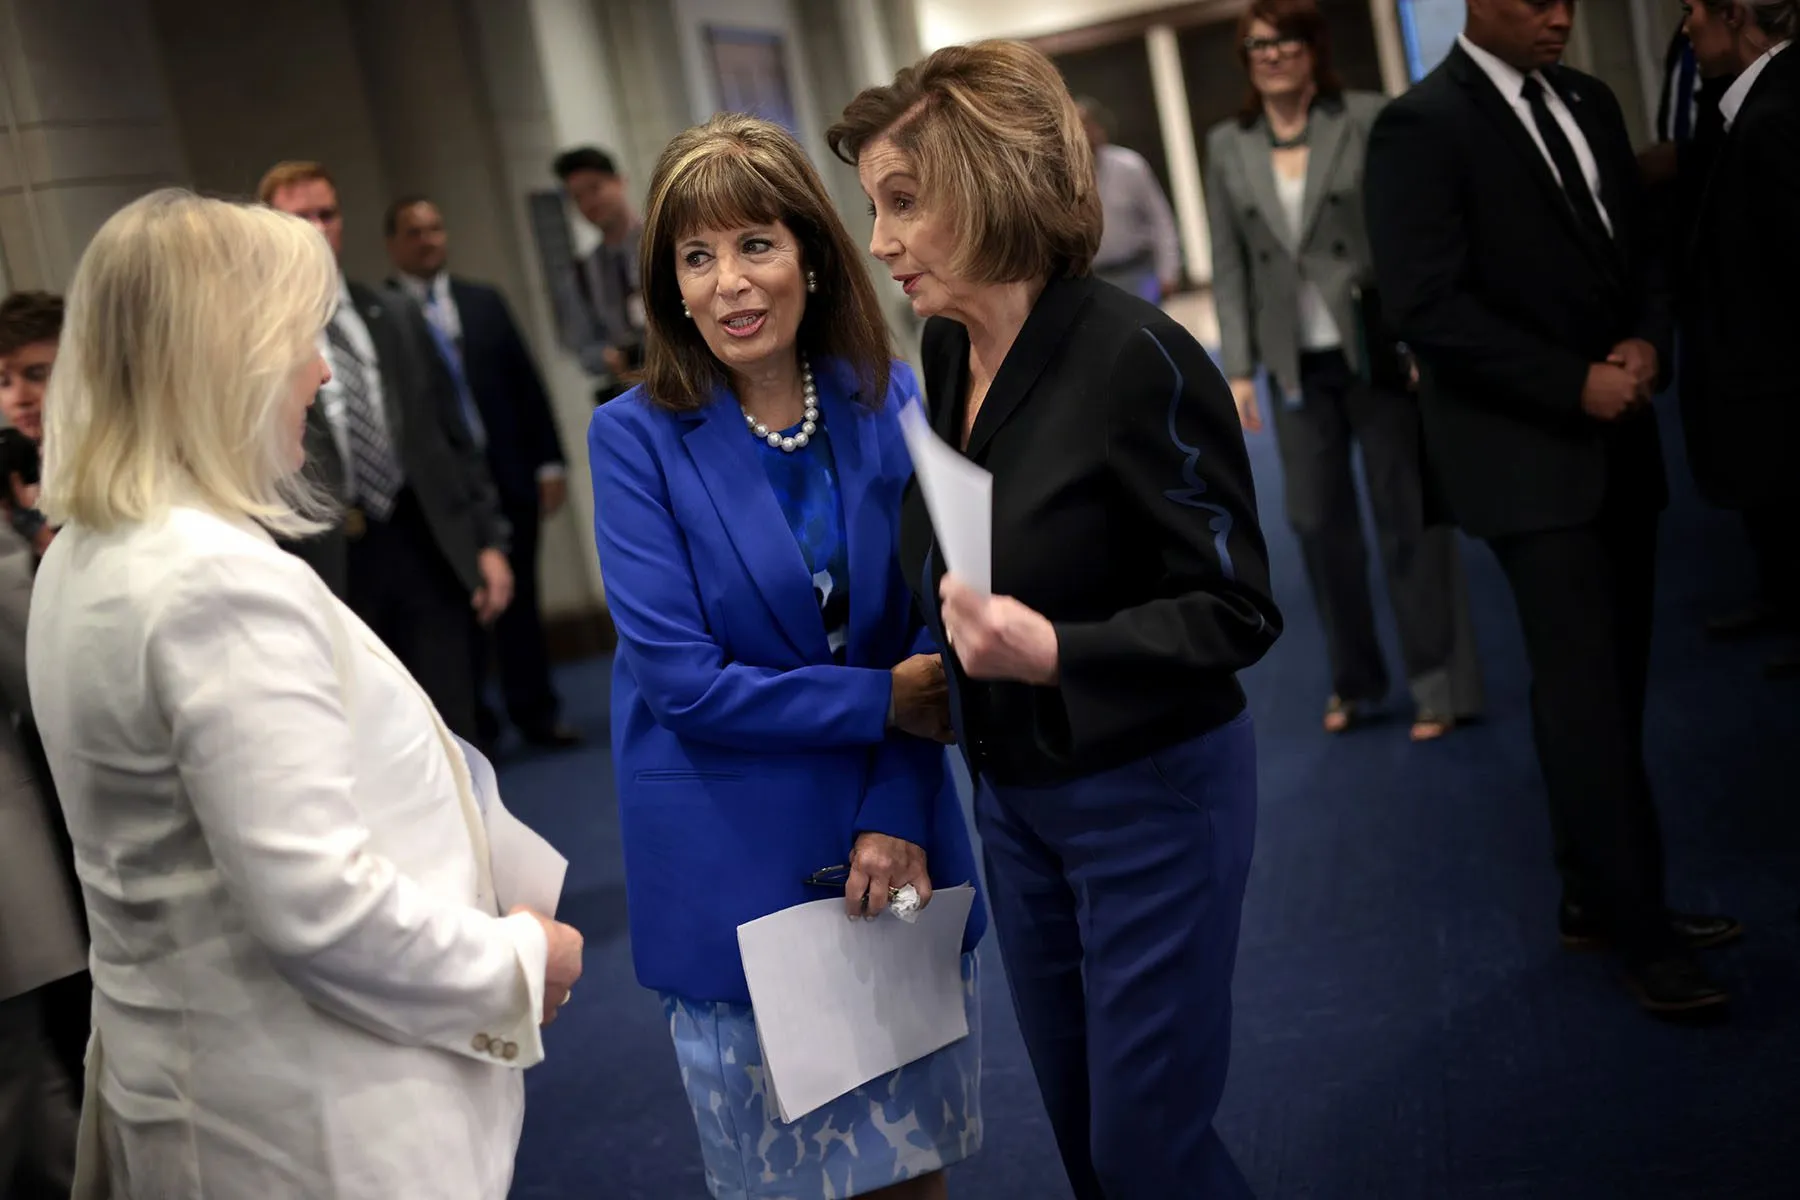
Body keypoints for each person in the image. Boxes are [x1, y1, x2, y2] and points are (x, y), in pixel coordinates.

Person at [27, 189, 583, 1198]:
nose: (321, 373)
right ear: (222, 361)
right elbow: (320, 910)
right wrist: (514, 957)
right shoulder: (208, 580)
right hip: (301, 1122)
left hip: (209, 1088)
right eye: (300, 341)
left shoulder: (90, 552)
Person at [831, 40, 1282, 1199]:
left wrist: (1057, 651)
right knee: (1091, 1146)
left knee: (1150, 1151)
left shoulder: (1142, 359)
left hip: (1151, 797)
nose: (880, 244)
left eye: (902, 204)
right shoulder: (946, 348)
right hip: (1017, 808)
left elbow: (1237, 610)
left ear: (987, 186)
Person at [588, 114, 986, 1200]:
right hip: (738, 869)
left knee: (915, 1170)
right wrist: (882, 704)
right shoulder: (632, 440)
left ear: (811, 250)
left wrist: (898, 809)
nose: (729, 283)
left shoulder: (889, 398)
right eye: (696, 256)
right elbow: (683, 684)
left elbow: (931, 635)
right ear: (669, 282)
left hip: (893, 851)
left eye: (755, 244)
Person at [1363, 0, 1740, 1015]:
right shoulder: (1420, 127)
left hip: (1621, 437)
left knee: (1610, 681)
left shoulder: (1589, 97)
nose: (1560, 16)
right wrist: (1569, 382)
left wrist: (1650, 337)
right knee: (1587, 696)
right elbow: (1426, 308)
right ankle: (1643, 932)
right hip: (1526, 458)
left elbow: (1641, 252)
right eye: (1536, 1)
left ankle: (1592, 896)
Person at [1205, 0, 1483, 740]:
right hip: (1294, 365)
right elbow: (1229, 264)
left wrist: (1424, 338)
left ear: (1313, 47)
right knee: (1316, 527)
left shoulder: (1364, 116)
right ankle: (1356, 682)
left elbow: (1405, 233)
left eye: (1287, 40)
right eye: (1259, 44)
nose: (1273, 54)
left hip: (1376, 351)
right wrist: (1237, 369)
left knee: (1410, 519)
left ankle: (1442, 683)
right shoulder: (1228, 145)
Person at [261, 161, 515, 744]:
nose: (318, 228)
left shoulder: (393, 313)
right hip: (329, 559)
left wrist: (486, 541)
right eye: (299, 217)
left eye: (327, 214)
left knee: (455, 723)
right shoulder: (258, 336)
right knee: (372, 737)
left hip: (421, 539)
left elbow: (453, 436)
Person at [385, 195, 584, 748]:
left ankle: (537, 712)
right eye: (414, 230)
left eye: (435, 228)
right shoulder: (386, 315)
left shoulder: (482, 302)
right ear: (394, 244)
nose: (428, 239)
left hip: (509, 473)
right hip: (440, 492)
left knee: (521, 600)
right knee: (459, 610)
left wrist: (549, 461)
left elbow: (526, 383)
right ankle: (475, 726)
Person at [1676, 0, 1798, 678]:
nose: (1686, 25)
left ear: (1735, 14)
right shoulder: (1762, 106)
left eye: (1692, 8)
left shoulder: (1772, 119)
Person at [0, 299, 83, 1200]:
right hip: (35, 801)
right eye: (4, 379)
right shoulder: (18, 493)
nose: (19, 396)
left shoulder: (108, 483)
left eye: (36, 371)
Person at [554, 146, 645, 404]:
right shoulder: (579, 275)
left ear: (619, 181)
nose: (589, 204)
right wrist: (608, 357)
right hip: (634, 394)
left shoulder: (664, 242)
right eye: (577, 197)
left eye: (595, 189)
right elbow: (583, 348)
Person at [1075, 96, 1181, 302]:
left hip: (1139, 271)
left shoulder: (1130, 166)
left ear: (1099, 129)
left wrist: (1169, 271)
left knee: (1147, 330)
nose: (1082, 133)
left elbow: (1161, 220)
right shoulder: (1063, 177)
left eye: (1086, 125)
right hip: (1093, 279)